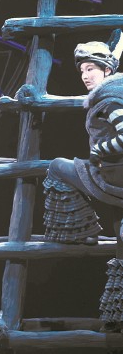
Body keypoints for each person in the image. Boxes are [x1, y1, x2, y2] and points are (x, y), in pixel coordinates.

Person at [42, 31, 123, 332]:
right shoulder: (113, 93)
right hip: (116, 178)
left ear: (107, 69)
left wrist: (100, 151)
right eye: (82, 71)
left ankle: (80, 231)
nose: (85, 75)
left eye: (91, 69)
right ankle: (116, 319)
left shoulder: (110, 97)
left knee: (57, 167)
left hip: (111, 178)